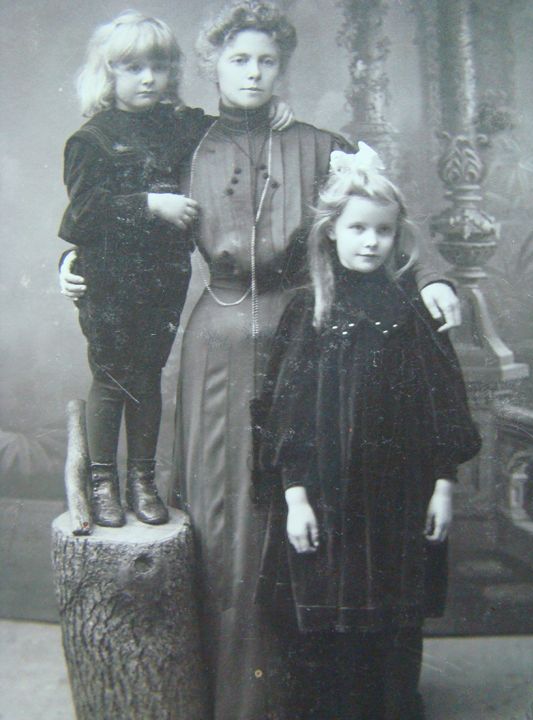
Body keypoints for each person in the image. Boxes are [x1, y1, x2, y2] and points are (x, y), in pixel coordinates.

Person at [59, 2, 462, 716]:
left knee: (298, 513)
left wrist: (431, 277)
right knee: (223, 521)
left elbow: (386, 216)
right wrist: (71, 263)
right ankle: (223, 697)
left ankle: (305, 698)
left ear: (282, 67)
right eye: (238, 59)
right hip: (214, 349)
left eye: (266, 61)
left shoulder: (320, 145)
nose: (253, 73)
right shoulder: (183, 139)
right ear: (211, 65)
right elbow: (108, 205)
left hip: (307, 345)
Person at [256, 142, 481, 719]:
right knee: (328, 619)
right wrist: (295, 497)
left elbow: (441, 406)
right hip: (327, 496)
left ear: (396, 235)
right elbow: (286, 414)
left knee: (395, 620)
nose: (370, 242)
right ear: (331, 230)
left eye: (382, 231)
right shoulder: (309, 310)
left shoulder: (412, 311)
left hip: (398, 496)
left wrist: (443, 485)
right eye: (357, 228)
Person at [58, 10, 292, 528]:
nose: (148, 79)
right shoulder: (91, 139)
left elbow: (232, 127)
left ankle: (141, 480)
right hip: (108, 280)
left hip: (163, 276)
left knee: (147, 375)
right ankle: (103, 482)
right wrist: (151, 203)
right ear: (108, 73)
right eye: (133, 68)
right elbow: (83, 214)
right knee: (112, 376)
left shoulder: (182, 125)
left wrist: (270, 106)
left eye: (159, 67)